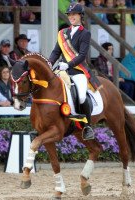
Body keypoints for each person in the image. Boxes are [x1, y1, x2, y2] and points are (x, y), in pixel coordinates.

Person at [49, 2, 95, 140]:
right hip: (62, 70)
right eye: (69, 15)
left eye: (74, 14)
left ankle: (87, 126)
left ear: (80, 16)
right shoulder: (62, 33)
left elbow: (82, 55)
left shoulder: (85, 33)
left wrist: (68, 65)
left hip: (77, 70)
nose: (71, 17)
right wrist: (49, 63)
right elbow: (56, 52)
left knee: (81, 96)